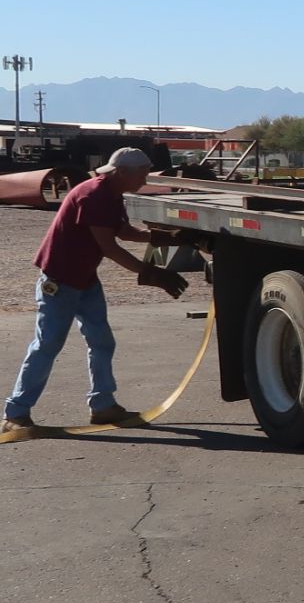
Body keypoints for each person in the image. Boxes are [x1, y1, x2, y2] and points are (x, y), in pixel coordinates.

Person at [3, 147, 187, 435]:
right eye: (142, 173)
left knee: (101, 342)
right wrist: (150, 273)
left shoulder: (111, 193)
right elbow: (110, 247)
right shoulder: (94, 195)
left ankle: (102, 405)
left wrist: (166, 237)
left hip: (84, 278)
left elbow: (123, 232)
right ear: (122, 172)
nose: (145, 179)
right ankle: (15, 412)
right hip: (61, 280)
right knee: (47, 345)